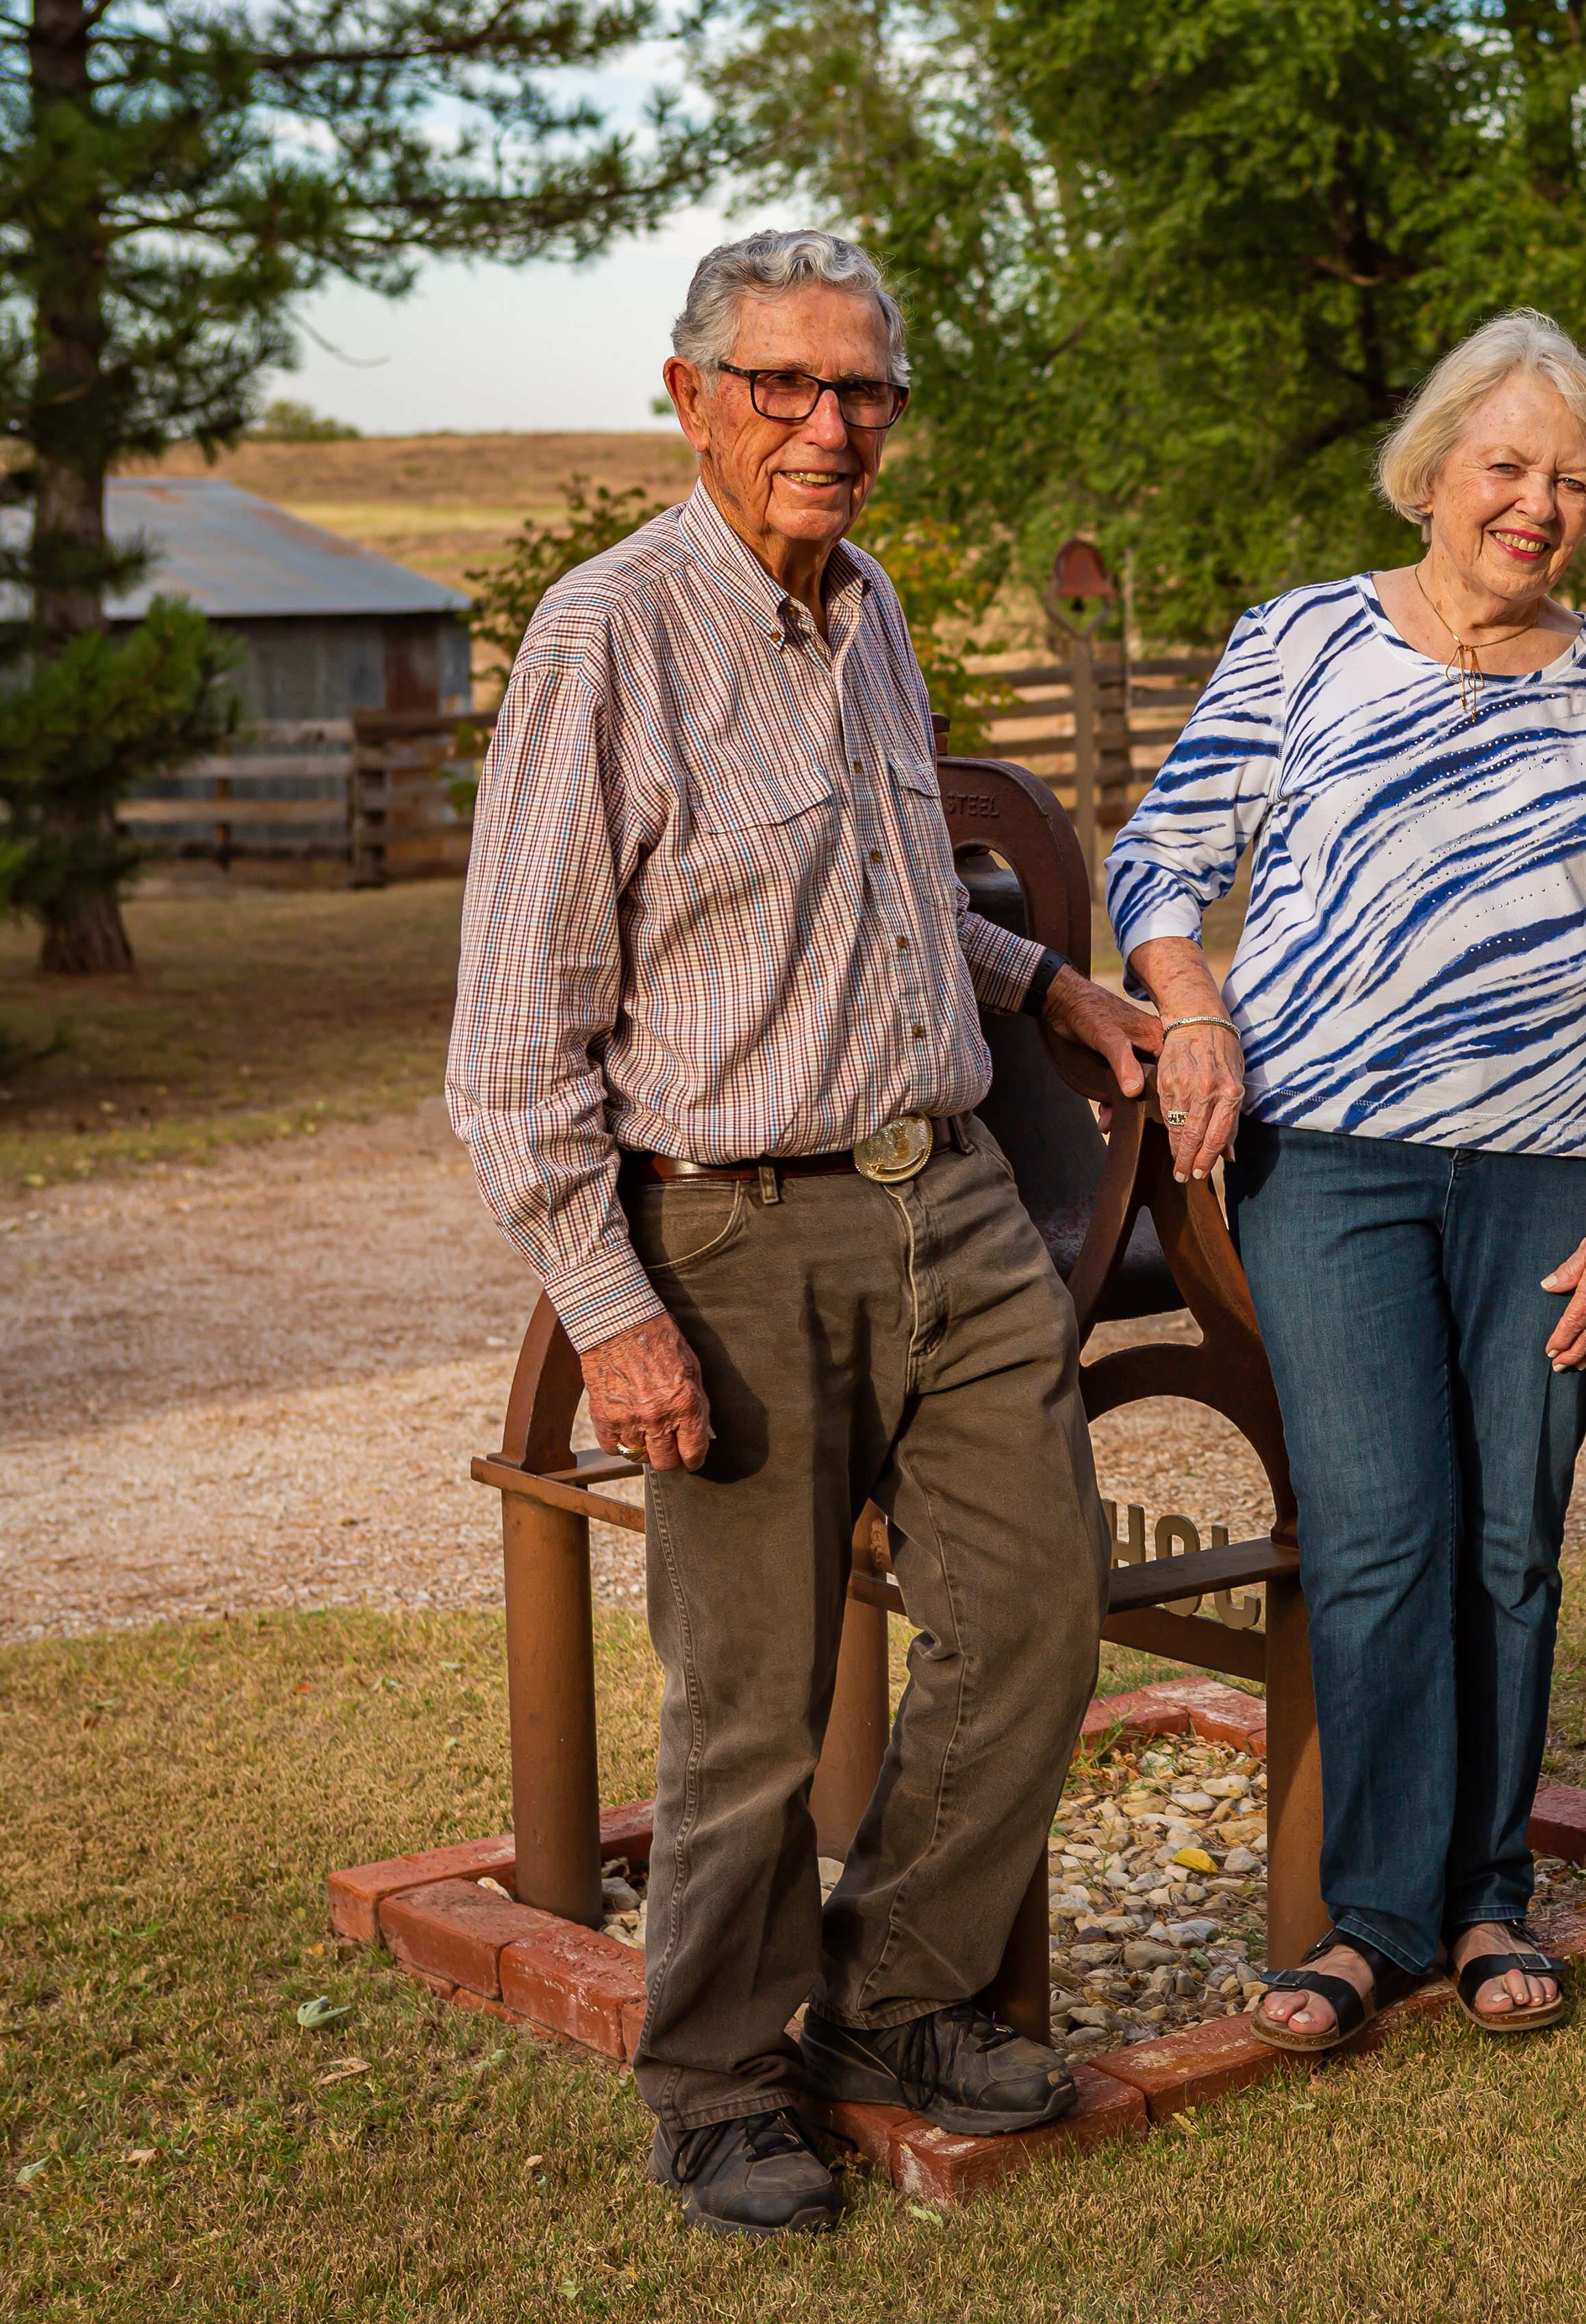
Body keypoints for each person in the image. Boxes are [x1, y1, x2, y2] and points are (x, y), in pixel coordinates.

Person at [446, 228, 1161, 2238]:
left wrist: (1041, 989)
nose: (829, 426)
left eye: (862, 392)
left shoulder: (873, 613)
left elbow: (891, 899)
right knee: (747, 1704)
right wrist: (615, 1303)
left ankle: (893, 1999)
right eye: (785, 386)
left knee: (1037, 1613)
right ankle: (714, 2078)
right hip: (733, 1235)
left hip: (944, 1196)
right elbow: (510, 1051)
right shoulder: (606, 638)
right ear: (691, 398)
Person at [1107, 310, 1586, 2049]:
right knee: (1384, 1534)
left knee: (1511, 1541)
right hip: (1335, 1165)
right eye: (1508, 466)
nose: (1536, 504)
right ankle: (1372, 1915)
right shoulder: (1302, 638)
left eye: (1572, 482)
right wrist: (1191, 1004)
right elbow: (1165, 849)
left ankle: (1487, 1891)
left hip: (1562, 1175)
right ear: (1437, 470)